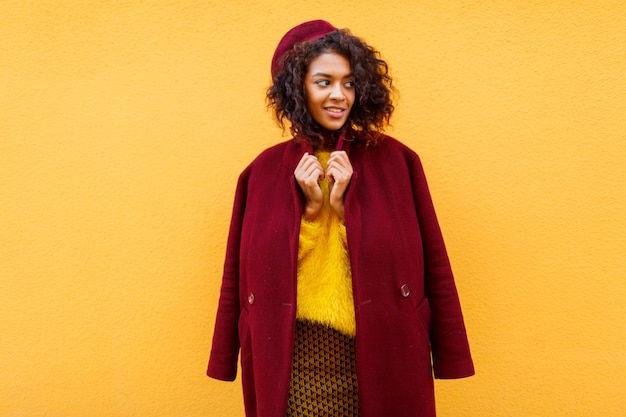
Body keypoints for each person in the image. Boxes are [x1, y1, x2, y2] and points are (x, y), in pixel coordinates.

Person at [207, 20, 474, 417]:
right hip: (291, 357)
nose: (339, 95)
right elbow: (239, 274)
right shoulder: (261, 173)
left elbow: (434, 261)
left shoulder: (398, 162)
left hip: (385, 350)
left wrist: (349, 213)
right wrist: (311, 215)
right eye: (324, 82)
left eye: (349, 83)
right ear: (296, 88)